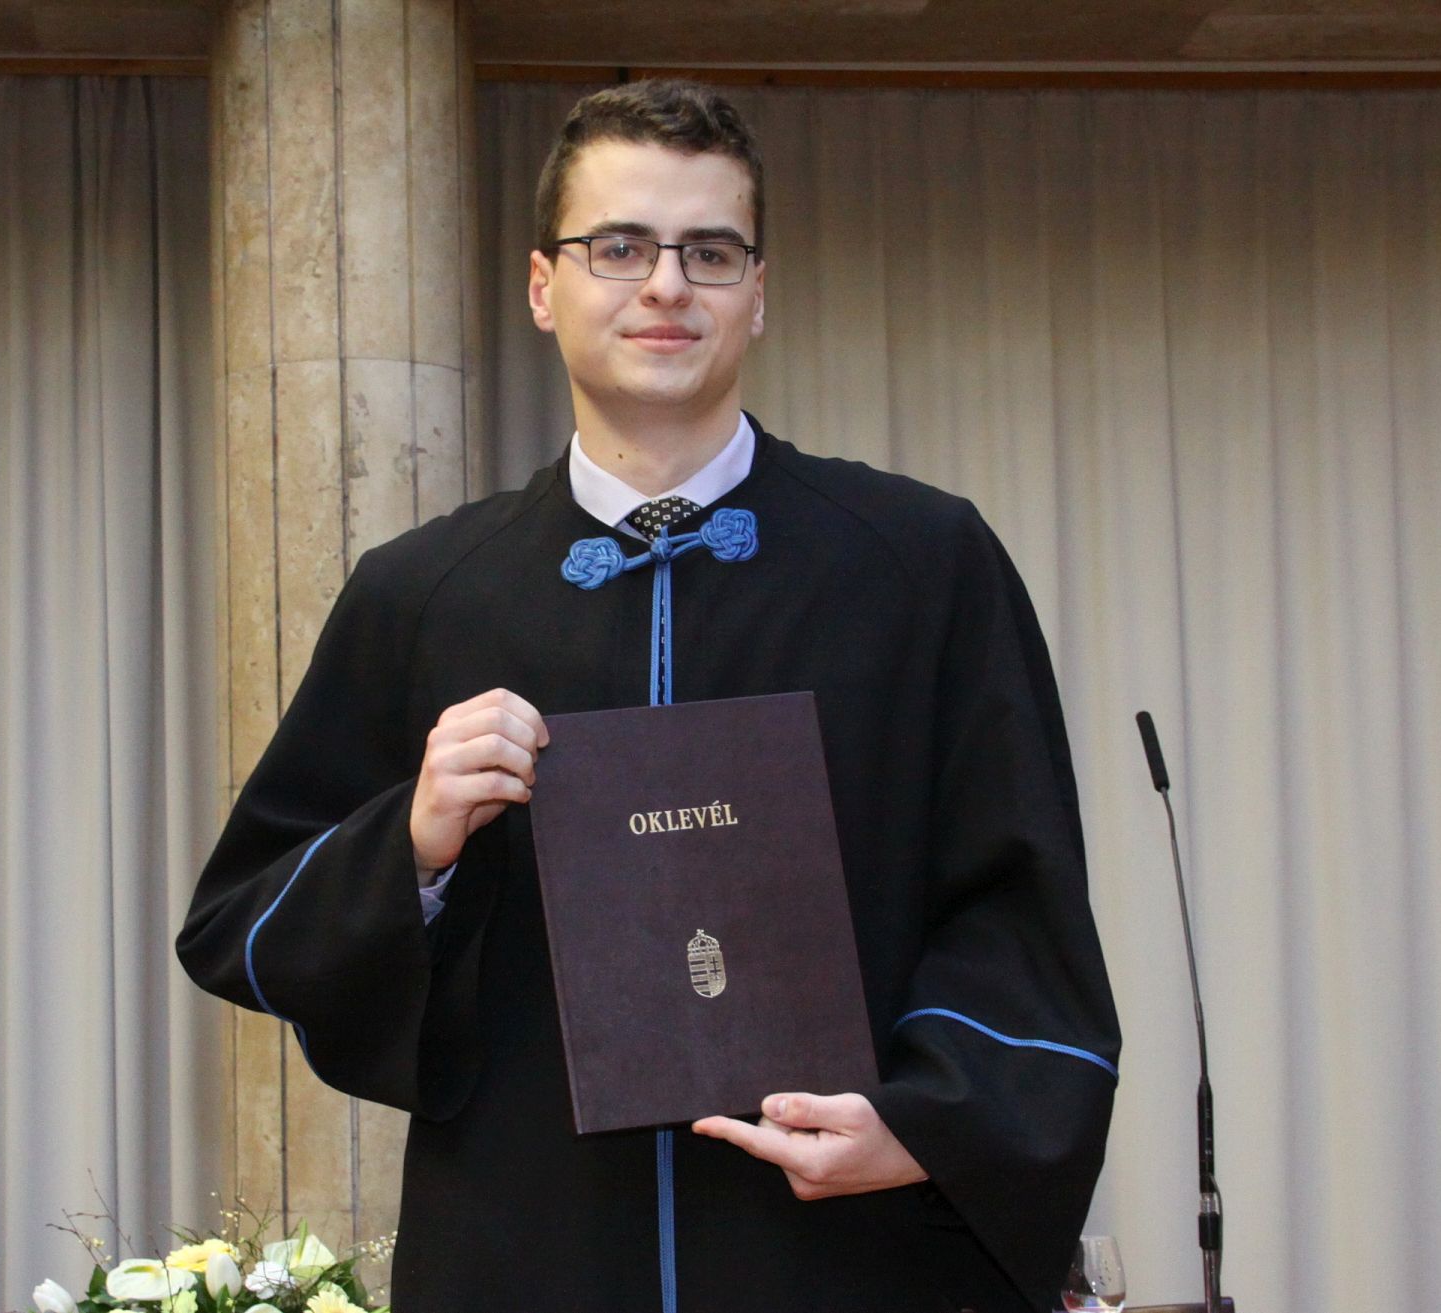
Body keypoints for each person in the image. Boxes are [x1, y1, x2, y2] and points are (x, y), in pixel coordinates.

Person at [179, 79, 1119, 1313]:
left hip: (851, 1261)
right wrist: (409, 844)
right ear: (541, 285)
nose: (666, 285)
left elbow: (1018, 901)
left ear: (757, 293)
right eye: (618, 247)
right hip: (528, 1254)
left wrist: (927, 1122)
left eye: (708, 251)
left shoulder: (921, 566)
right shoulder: (422, 592)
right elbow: (240, 916)